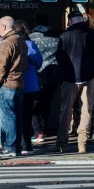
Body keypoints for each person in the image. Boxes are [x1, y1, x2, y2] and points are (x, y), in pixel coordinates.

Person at [51, 10, 94, 154]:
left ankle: (61, 144)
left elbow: (60, 59)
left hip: (69, 78)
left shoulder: (65, 35)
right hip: (90, 76)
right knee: (86, 110)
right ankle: (82, 144)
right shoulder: (93, 34)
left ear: (71, 21)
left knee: (65, 111)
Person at [0, 16, 28, 159]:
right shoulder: (21, 40)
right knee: (16, 117)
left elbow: (0, 67)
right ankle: (17, 147)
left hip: (7, 84)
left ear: (2, 27)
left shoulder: (7, 42)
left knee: (8, 117)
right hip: (19, 83)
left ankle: (10, 147)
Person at [29, 15, 60, 144]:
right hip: (52, 75)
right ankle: (44, 128)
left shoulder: (30, 39)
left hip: (36, 75)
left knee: (34, 104)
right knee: (46, 103)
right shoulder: (56, 39)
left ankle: (37, 131)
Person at [13, 20, 43, 155]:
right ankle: (27, 145)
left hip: (15, 83)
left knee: (15, 114)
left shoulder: (12, 43)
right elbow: (39, 62)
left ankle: (16, 144)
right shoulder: (31, 44)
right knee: (27, 115)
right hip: (30, 84)